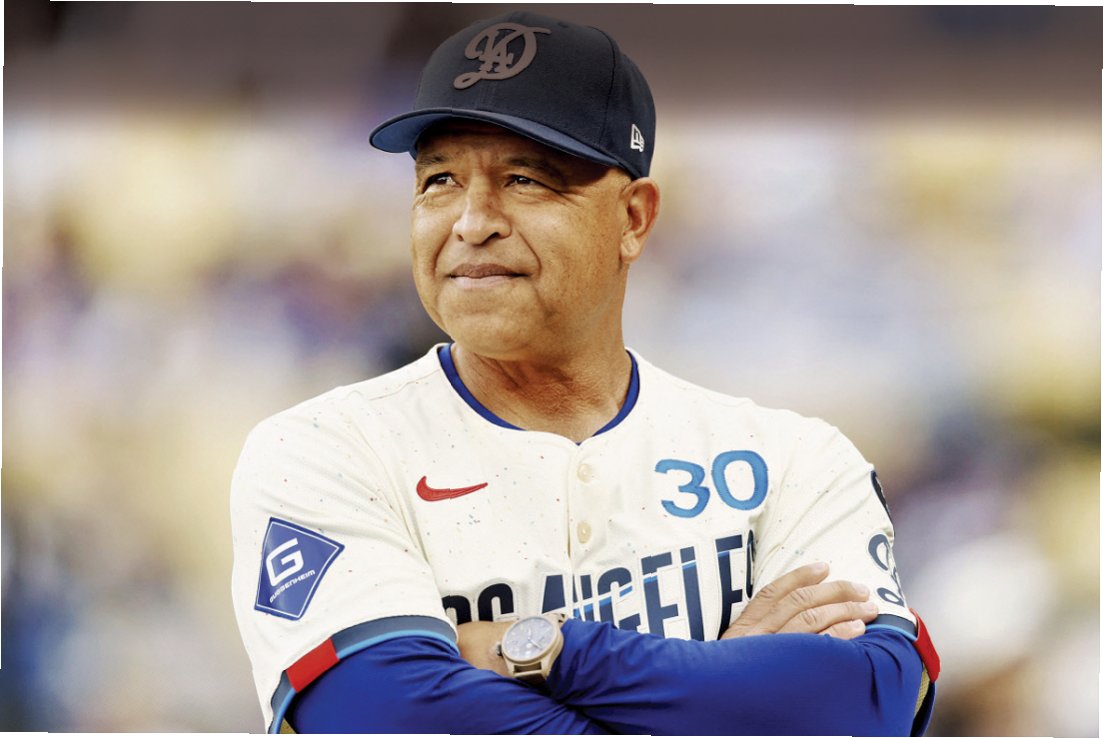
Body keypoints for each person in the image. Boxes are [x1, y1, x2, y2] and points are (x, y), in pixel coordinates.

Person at [230, 11, 939, 735]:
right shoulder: (324, 452)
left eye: (525, 179)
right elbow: (385, 711)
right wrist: (726, 686)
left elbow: (871, 698)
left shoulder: (792, 459)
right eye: (439, 179)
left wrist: (542, 648)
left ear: (634, 218)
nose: (471, 222)